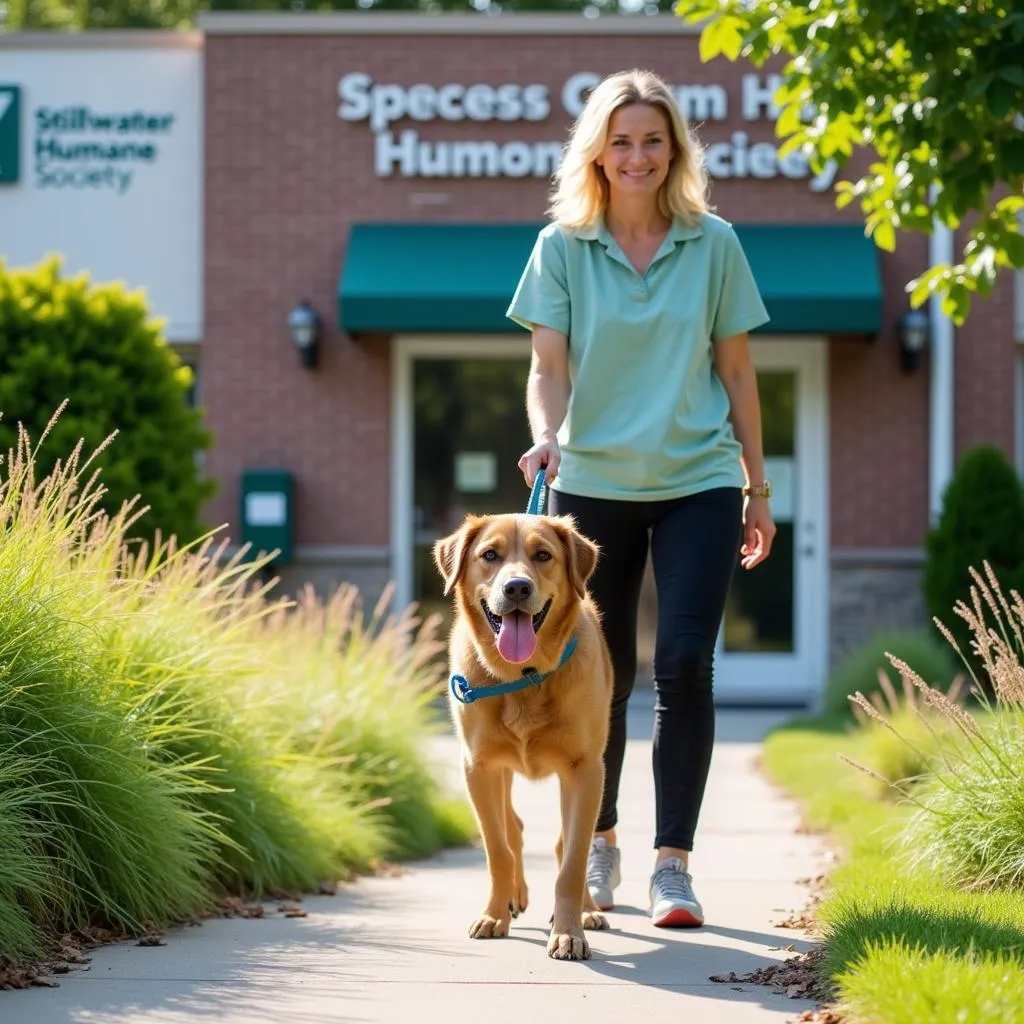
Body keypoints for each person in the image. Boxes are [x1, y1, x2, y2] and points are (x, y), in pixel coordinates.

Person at [505, 68, 775, 929]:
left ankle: (673, 866)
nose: (637, 156)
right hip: (591, 487)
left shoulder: (714, 244)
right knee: (603, 675)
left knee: (686, 663)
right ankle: (604, 839)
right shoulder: (562, 245)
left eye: (653, 140)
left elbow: (737, 370)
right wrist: (547, 432)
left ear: (675, 150)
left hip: (699, 479)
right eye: (621, 140)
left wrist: (756, 489)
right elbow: (548, 366)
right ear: (598, 151)